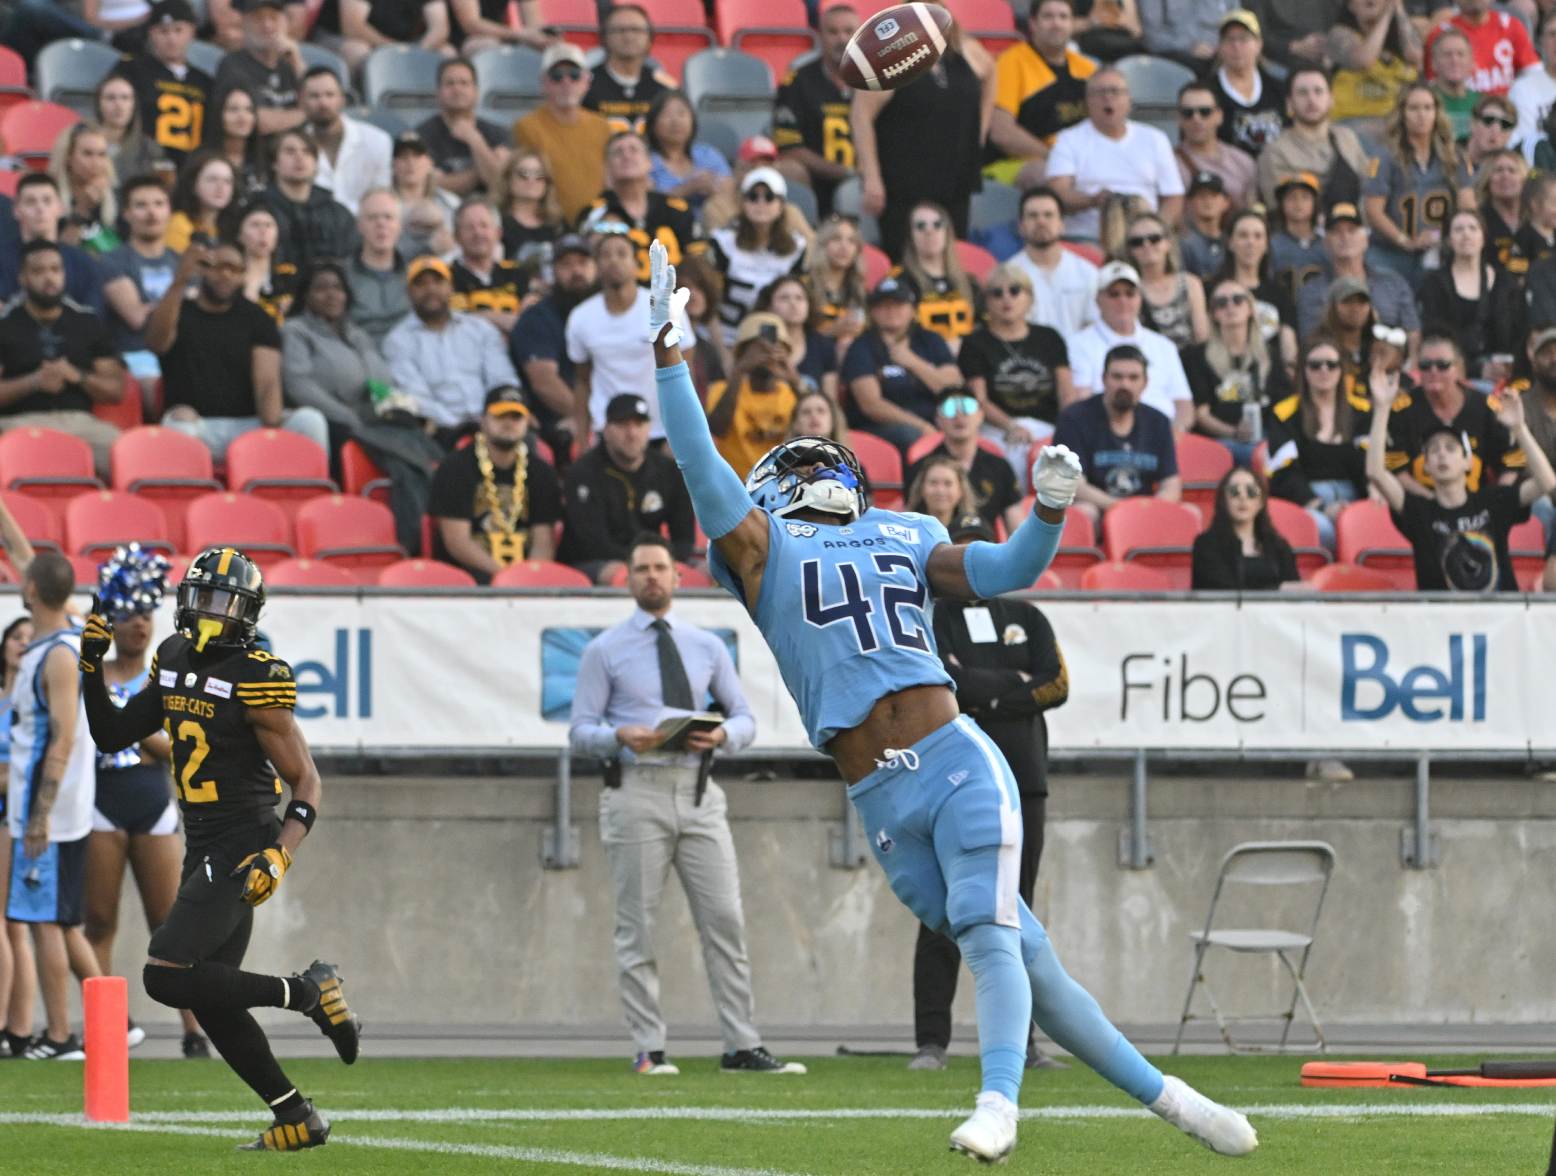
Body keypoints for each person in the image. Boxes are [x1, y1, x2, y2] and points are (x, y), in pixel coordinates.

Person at [645, 238, 1256, 1162]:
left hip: (955, 759)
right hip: (878, 794)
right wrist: (670, 357)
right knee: (1026, 958)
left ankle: (999, 1102)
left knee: (985, 928)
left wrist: (1047, 512)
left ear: (807, 479)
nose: (758, 494)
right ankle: (1177, 1103)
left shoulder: (904, 530)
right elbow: (699, 467)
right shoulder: (768, 554)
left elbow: (1008, 570)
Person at [79, 545, 359, 1148]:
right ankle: (296, 1118)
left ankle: (308, 992)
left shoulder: (259, 673)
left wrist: (281, 850)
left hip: (243, 838)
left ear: (246, 613)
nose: (208, 611)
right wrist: (90, 667)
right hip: (201, 839)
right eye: (201, 596)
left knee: (165, 974)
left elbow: (306, 780)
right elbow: (111, 733)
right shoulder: (174, 656)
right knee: (210, 992)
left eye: (222, 602)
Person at [569, 532, 800, 1075]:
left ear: (678, 577)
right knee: (638, 927)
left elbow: (746, 718)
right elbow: (580, 730)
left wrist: (720, 737)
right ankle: (649, 1048)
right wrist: (619, 736)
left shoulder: (707, 645)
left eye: (660, 568)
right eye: (642, 568)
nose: (652, 576)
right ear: (628, 581)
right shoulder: (604, 650)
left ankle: (742, 1044)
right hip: (636, 789)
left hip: (698, 790)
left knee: (725, 920)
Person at [912, 510, 1069, 1072]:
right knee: (941, 910)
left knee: (1017, 911)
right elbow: (940, 681)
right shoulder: (935, 620)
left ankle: (1022, 1042)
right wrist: (1011, 685)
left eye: (982, 549)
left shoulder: (1026, 614)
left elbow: (1055, 684)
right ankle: (931, 1041)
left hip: (1023, 782)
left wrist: (988, 692)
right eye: (962, 550)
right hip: (951, 781)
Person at [80, 548, 208, 1058]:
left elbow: (178, 751)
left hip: (151, 801)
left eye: (146, 614)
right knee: (99, 921)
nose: (138, 624)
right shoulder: (95, 675)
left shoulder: (166, 679)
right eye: (129, 613)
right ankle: (106, 1025)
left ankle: (195, 1029)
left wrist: (126, 730)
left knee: (169, 921)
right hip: (101, 803)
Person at [4, 549, 102, 1061]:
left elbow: (62, 739)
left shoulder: (60, 654)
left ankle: (62, 1035)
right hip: (44, 811)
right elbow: (26, 552)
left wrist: (39, 817)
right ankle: (93, 1027)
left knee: (47, 924)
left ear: (32, 591)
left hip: (51, 816)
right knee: (54, 922)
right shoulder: (57, 639)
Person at [281, 261, 443, 553]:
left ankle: (435, 534)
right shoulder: (296, 331)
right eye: (321, 288)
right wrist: (350, 418)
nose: (331, 295)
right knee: (407, 462)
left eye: (338, 288)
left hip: (375, 419)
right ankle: (411, 541)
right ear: (305, 295)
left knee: (425, 454)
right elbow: (300, 385)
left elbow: (383, 382)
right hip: (337, 422)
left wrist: (406, 411)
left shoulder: (356, 334)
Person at [1368, 367, 1556, 590]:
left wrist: (1519, 428)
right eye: (1433, 450)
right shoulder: (1418, 511)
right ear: (1426, 466)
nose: (1441, 454)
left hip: (1501, 620)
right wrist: (1381, 409)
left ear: (1468, 462)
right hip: (1440, 621)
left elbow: (1548, 483)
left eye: (1450, 448)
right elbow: (1376, 473)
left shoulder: (1492, 502)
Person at [145, 239, 329, 461]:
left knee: (310, 421)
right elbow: (156, 343)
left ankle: (312, 493)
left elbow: (267, 381)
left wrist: (273, 424)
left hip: (250, 426)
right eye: (219, 267)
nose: (226, 275)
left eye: (235, 269)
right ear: (203, 270)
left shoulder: (257, 318)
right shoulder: (179, 312)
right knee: (179, 426)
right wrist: (179, 281)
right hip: (199, 427)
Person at [853, 21, 995, 260]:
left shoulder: (965, 51)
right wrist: (872, 177)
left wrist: (980, 131)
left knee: (952, 259)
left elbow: (991, 72)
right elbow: (861, 116)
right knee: (906, 261)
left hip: (955, 180)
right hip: (903, 185)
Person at [0, 241, 125, 478]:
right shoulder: (4, 326)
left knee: (133, 458)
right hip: (20, 422)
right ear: (22, 278)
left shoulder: (88, 322)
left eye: (56, 270)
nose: (49, 278)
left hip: (81, 423)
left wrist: (77, 376)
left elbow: (116, 391)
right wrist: (34, 381)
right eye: (39, 271)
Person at [567, 227, 694, 443]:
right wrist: (581, 440)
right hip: (607, 430)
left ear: (637, 264)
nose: (614, 261)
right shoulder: (580, 317)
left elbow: (685, 376)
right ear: (596, 266)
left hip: (662, 431)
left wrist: (684, 434)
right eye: (605, 255)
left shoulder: (665, 307)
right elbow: (582, 381)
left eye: (622, 253)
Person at [382, 255, 521, 446]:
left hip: (493, 423)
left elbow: (503, 379)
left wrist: (491, 420)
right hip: (440, 432)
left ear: (451, 287)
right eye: (421, 284)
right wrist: (462, 426)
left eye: (438, 282)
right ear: (409, 292)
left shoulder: (480, 329)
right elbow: (416, 398)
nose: (430, 289)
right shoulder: (397, 340)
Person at [557, 394, 695, 582]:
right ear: (606, 430)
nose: (632, 433)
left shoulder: (669, 471)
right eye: (623, 425)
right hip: (595, 565)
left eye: (639, 425)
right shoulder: (582, 473)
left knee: (708, 571)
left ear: (649, 429)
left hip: (652, 561)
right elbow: (591, 544)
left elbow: (684, 539)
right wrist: (645, 563)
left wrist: (660, 562)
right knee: (619, 574)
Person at [427, 386, 561, 578]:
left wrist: (530, 577)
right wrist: (504, 577)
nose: (508, 423)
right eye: (500, 416)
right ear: (483, 421)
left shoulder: (542, 472)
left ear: (527, 423)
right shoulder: (455, 467)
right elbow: (457, 542)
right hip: (468, 575)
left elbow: (543, 541)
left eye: (516, 417)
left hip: (527, 578)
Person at [957, 261, 1073, 482]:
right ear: (986, 302)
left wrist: (1068, 427)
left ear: (1029, 297)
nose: (1006, 298)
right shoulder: (975, 342)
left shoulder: (1049, 338)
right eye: (997, 293)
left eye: (1015, 290)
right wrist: (1011, 426)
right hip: (998, 427)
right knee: (1015, 453)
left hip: (1047, 426)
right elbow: (979, 399)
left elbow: (1066, 392)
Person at [1045, 67, 1185, 241]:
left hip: (1143, 239)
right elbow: (1058, 192)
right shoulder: (1068, 140)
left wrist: (1155, 231)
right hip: (1089, 238)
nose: (1108, 97)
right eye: (1100, 92)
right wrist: (1092, 200)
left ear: (1129, 100)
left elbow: (1173, 197)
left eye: (1115, 91)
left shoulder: (1155, 138)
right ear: (1088, 101)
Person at [1053, 344, 1182, 528]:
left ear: (1145, 383)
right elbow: (1074, 485)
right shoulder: (1074, 418)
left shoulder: (1158, 421)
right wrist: (1121, 508)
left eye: (1133, 378)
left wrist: (1151, 509)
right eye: (1117, 377)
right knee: (1085, 512)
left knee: (1190, 513)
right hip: (1099, 507)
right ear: (1104, 379)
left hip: (1144, 510)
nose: (1125, 385)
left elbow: (1171, 484)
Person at [1265, 335, 1374, 552]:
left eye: (1332, 365)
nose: (1324, 370)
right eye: (1315, 365)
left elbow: (1369, 465)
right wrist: (1322, 507)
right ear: (1303, 370)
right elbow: (1285, 474)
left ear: (1341, 370)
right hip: (1307, 502)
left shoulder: (1362, 411)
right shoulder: (1284, 413)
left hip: (1357, 498)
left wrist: (1359, 506)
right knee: (1324, 530)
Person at [1363, 83, 1474, 283]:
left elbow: (1467, 206)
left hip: (1440, 248)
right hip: (1390, 251)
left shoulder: (1454, 156)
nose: (1421, 115)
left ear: (1437, 113)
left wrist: (1449, 240)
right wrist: (1405, 241)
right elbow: (1373, 210)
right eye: (1413, 108)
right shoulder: (1385, 156)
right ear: (1402, 113)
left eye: (1427, 108)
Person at [1067, 260, 1194, 432]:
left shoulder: (1164, 346)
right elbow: (1081, 402)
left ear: (1140, 298)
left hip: (1163, 435)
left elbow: (1184, 405)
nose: (1123, 301)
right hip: (1105, 435)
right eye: (1114, 294)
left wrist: (1175, 433)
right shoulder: (1077, 344)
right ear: (1098, 299)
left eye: (1130, 293)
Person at [841, 274, 962, 451]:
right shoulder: (862, 346)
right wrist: (921, 426)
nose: (891, 310)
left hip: (939, 422)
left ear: (913, 310)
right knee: (909, 436)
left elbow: (953, 388)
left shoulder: (930, 340)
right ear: (873, 312)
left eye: (898, 304)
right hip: (883, 429)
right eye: (883, 305)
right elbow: (871, 405)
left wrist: (913, 362)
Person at [1385, 332, 1513, 493]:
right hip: (1419, 504)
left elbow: (1512, 461)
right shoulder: (1401, 410)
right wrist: (1434, 504)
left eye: (1442, 365)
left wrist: (1494, 502)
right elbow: (1395, 468)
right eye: (1425, 365)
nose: (1433, 371)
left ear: (1459, 368)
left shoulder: (1486, 407)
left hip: (1478, 505)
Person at [986, 0, 1096, 186]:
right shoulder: (1011, 62)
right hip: (1016, 163)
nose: (1056, 23)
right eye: (1048, 16)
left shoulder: (1088, 68)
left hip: (1077, 162)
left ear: (1072, 25)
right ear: (1033, 24)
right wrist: (1057, 158)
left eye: (1063, 17)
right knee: (1047, 174)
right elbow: (1001, 133)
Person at [1294, 201, 1420, 355]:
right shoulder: (1311, 291)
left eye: (1352, 230)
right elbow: (1310, 341)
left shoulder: (1394, 283)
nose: (1345, 237)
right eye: (1336, 231)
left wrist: (1411, 364)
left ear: (1366, 239)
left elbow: (1413, 331)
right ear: (1326, 242)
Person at [509, 232, 593, 459]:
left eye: (583, 263)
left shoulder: (605, 312)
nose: (576, 271)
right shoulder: (537, 318)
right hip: (556, 421)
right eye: (566, 265)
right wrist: (588, 419)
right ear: (553, 272)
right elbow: (545, 383)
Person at [1184, 278, 1284, 467]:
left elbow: (1283, 406)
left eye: (1238, 300)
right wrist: (1233, 432)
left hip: (1265, 438)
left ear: (1250, 309)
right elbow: (1201, 414)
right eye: (1221, 303)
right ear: (1213, 314)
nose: (1230, 306)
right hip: (1220, 441)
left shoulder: (1270, 355)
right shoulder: (1197, 356)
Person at [580, 131, 698, 287]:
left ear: (650, 162)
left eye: (634, 150)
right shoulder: (595, 213)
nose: (626, 156)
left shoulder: (676, 209)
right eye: (618, 152)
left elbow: (697, 262)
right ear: (607, 167)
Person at [773, 4, 860, 213]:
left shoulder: (879, 80)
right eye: (833, 32)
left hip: (871, 182)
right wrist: (844, 172)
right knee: (788, 170)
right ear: (819, 36)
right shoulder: (797, 82)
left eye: (849, 32)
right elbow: (789, 147)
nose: (841, 39)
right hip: (816, 180)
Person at [514, 43, 614, 223]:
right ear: (543, 83)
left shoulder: (603, 127)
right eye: (557, 76)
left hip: (598, 223)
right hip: (551, 224)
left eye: (574, 75)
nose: (566, 82)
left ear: (586, 82)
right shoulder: (526, 127)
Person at [707, 168, 806, 344]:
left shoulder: (796, 248)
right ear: (742, 203)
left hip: (773, 339)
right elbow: (710, 301)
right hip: (726, 335)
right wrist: (723, 353)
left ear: (781, 205)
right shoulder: (722, 242)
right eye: (753, 196)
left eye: (769, 197)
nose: (761, 203)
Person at [98, 175, 179, 388]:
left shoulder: (181, 261)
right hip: (136, 356)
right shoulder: (112, 261)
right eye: (141, 205)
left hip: (182, 353)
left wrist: (150, 307)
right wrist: (179, 298)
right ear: (126, 213)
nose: (152, 213)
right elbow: (136, 317)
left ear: (169, 210)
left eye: (159, 204)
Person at [907, 389, 1025, 535]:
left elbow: (1017, 530)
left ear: (981, 415)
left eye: (967, 407)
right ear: (937, 419)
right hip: (933, 550)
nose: (959, 415)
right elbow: (908, 522)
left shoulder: (1000, 467)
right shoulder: (921, 468)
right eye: (949, 409)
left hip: (984, 550)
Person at [1255, 66, 1372, 207]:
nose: (1311, 100)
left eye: (1318, 91)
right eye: (1302, 93)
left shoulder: (1347, 137)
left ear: (1331, 99)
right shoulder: (1275, 152)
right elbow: (1279, 207)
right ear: (1289, 103)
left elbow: (1369, 187)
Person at [1419, 209, 1517, 375]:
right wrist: (1477, 370)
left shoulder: (1504, 282)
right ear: (1449, 240)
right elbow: (1433, 334)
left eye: (1473, 228)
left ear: (1483, 237)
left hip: (1500, 370)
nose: (1466, 234)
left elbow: (1516, 333)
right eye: (1458, 229)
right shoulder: (1434, 283)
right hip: (1452, 370)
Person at [114, 0, 212, 166]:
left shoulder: (204, 81)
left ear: (192, 32)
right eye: (163, 31)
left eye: (178, 30)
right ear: (151, 33)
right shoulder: (132, 69)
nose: (171, 38)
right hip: (142, 162)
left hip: (192, 168)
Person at [707, 312, 802, 479]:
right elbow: (717, 430)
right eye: (759, 347)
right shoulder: (721, 389)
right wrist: (739, 371)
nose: (768, 353)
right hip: (736, 484)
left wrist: (794, 380)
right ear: (743, 352)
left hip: (783, 485)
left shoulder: (793, 393)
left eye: (776, 347)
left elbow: (818, 429)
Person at [0, 607, 34, 1059]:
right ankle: (18, 1030)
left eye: (30, 637)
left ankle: (14, 1026)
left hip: (15, 816)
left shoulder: (35, 698)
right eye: (15, 637)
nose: (23, 643)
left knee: (15, 924)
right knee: (14, 925)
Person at [0, 175, 107, 318]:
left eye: (47, 201)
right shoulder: (2, 259)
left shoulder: (83, 262)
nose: (40, 208)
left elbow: (94, 318)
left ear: (60, 208)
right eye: (31, 202)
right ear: (16, 210)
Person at [260, 130, 358, 271]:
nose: (299, 157)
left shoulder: (338, 214)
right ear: (274, 163)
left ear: (316, 164)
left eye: (307, 152)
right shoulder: (260, 209)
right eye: (290, 151)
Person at [1007, 187, 1098, 337]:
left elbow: (1094, 326)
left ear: (1062, 224)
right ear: (1021, 226)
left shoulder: (1087, 273)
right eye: (1032, 216)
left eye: (1048, 215)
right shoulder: (1009, 275)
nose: (1041, 222)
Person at [1190, 466, 1300, 591]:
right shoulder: (1205, 545)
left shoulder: (1279, 546)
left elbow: (1294, 591)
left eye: (1251, 491)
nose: (1243, 497)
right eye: (1234, 491)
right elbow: (1221, 589)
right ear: (1223, 500)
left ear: (1261, 502)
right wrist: (1277, 589)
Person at [300, 68, 391, 218]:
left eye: (330, 95)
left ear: (342, 99)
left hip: (365, 226)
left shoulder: (377, 140)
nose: (323, 103)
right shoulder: (293, 146)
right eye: (314, 96)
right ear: (301, 101)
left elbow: (381, 196)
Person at [416, 57, 510, 198]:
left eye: (464, 83)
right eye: (450, 83)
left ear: (476, 92)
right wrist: (478, 171)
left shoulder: (498, 133)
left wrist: (474, 139)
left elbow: (500, 184)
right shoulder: (421, 136)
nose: (457, 89)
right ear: (438, 93)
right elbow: (425, 185)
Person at [895, 203, 979, 356]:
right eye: (920, 226)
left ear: (947, 232)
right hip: (922, 362)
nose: (929, 231)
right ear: (910, 235)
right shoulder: (899, 282)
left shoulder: (970, 283)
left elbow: (984, 330)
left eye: (937, 225)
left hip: (969, 362)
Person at [1328, 0, 1423, 135]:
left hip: (1394, 121)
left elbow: (1415, 56)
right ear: (1350, 6)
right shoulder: (1338, 35)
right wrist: (1385, 17)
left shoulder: (1400, 38)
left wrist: (1399, 11)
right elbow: (1364, 61)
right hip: (1351, 122)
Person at [1214, 212, 1296, 369]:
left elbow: (1289, 347)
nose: (1250, 242)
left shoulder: (1279, 293)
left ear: (1266, 245)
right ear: (1230, 242)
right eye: (1243, 235)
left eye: (1258, 236)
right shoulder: (1214, 290)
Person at [213, 0, 305, 136]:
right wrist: (307, 114)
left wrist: (297, 63)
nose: (267, 25)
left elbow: (319, 101)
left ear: (285, 22)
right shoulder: (232, 64)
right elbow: (258, 121)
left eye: (273, 18)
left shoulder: (290, 63)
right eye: (258, 18)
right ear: (243, 23)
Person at [1205, 9, 1287, 157]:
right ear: (1220, 46)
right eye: (1229, 39)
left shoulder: (1279, 89)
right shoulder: (1208, 92)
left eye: (1244, 39)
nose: (1236, 46)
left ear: (1259, 44)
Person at [582, 4, 675, 132]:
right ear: (604, 38)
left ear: (649, 38)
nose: (628, 37)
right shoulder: (584, 85)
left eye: (636, 30)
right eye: (620, 30)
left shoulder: (665, 88)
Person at [1122, 211, 1208, 349]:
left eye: (1154, 238)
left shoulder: (1190, 283)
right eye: (1137, 242)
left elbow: (1202, 337)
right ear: (1130, 250)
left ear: (1168, 243)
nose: (1146, 245)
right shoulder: (1128, 290)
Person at [1423, 0, 1539, 98]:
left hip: (1508, 113)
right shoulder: (1440, 33)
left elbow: (1534, 75)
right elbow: (1433, 87)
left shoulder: (1512, 26)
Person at [645, 90, 733, 218]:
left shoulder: (707, 154)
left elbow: (731, 188)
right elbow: (644, 202)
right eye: (666, 114)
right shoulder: (646, 162)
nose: (675, 121)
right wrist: (687, 189)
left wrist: (713, 185)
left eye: (682, 114)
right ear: (652, 124)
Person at [1174, 84, 1257, 214]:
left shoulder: (1243, 162)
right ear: (1179, 118)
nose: (1196, 119)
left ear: (1219, 116)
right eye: (1188, 113)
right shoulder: (1169, 163)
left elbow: (1252, 213)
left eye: (1205, 112)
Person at [753, 274, 837, 400]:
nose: (793, 304)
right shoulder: (757, 343)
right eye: (784, 298)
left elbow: (829, 403)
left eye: (800, 298)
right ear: (769, 307)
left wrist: (796, 380)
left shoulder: (823, 345)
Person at [449, 199, 525, 335]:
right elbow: (451, 323)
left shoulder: (517, 273)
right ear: (456, 236)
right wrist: (496, 318)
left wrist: (477, 316)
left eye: (484, 226)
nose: (478, 233)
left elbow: (530, 321)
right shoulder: (444, 276)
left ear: (498, 233)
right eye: (469, 227)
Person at [346, 189, 411, 345]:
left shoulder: (416, 275)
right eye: (372, 218)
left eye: (388, 217)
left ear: (400, 226)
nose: (381, 224)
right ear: (359, 226)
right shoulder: (341, 277)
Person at [49, 124, 121, 255]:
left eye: (102, 155)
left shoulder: (118, 197)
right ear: (68, 157)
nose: (96, 162)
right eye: (87, 154)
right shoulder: (50, 198)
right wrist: (82, 210)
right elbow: (60, 255)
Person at [806, 213, 868, 351]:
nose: (844, 247)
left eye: (851, 241)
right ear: (823, 244)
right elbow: (795, 335)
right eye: (836, 239)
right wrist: (832, 331)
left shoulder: (860, 290)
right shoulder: (804, 286)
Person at [390, 132, 457, 257]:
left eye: (417, 156)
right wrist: (428, 249)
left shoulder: (450, 203)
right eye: (403, 157)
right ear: (393, 164)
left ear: (429, 162)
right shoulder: (384, 206)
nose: (410, 162)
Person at [337, 0, 454, 68]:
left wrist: (420, 50)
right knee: (356, 50)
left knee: (447, 52)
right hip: (367, 42)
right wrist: (393, 49)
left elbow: (440, 28)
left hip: (411, 44)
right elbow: (353, 27)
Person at [94, 74, 167, 183]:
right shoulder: (81, 143)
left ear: (134, 104)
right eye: (110, 98)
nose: (118, 105)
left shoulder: (150, 149)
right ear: (99, 104)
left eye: (125, 98)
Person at [497, 150, 565, 266]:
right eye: (523, 174)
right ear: (508, 179)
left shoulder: (558, 224)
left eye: (539, 175)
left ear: (547, 182)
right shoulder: (495, 221)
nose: (531, 180)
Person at [166, 150, 237, 253]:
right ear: (193, 185)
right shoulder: (179, 223)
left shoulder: (232, 229)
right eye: (212, 179)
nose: (221, 187)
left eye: (227, 181)